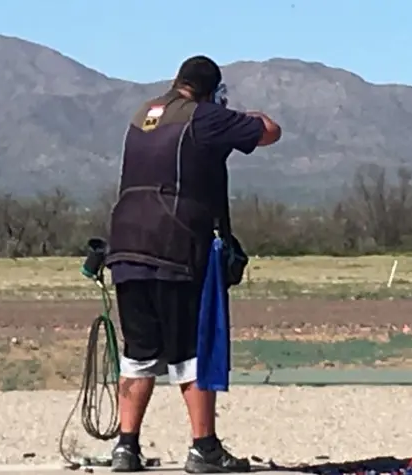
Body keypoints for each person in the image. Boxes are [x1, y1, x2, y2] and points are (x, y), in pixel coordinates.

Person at [103, 55, 282, 473]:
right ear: (209, 90)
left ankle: (125, 448)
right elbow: (270, 131)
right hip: (175, 245)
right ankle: (205, 448)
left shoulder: (141, 115)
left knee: (138, 354)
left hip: (126, 245)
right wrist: (233, 113)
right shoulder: (205, 118)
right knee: (191, 352)